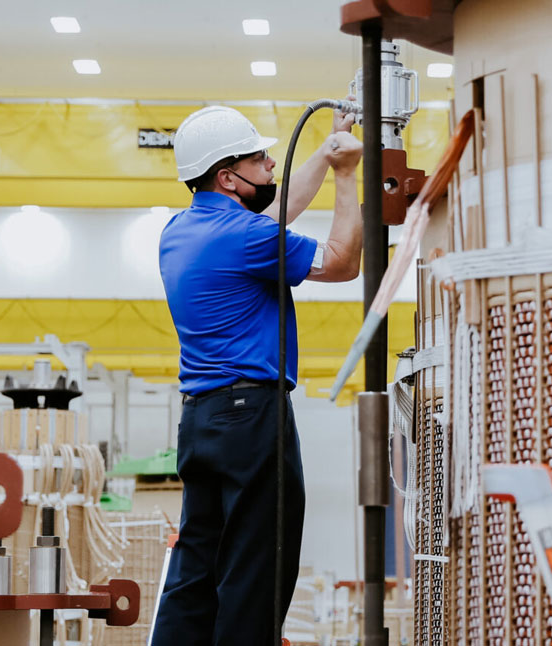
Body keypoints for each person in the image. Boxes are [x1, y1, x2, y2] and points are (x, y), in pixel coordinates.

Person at [151, 105, 362, 645]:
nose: (272, 165)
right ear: (227, 176)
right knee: (256, 569)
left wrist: (324, 147)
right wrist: (345, 175)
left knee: (196, 567)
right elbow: (342, 261)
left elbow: (272, 215)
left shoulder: (180, 231)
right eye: (260, 158)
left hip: (201, 422)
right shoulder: (244, 239)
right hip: (252, 421)